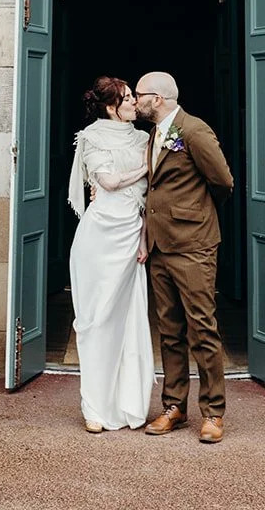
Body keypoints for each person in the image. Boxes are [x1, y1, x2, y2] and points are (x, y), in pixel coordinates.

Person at [135, 69, 234, 444]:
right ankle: (174, 406)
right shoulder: (154, 134)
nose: (135, 99)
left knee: (202, 328)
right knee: (170, 331)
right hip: (160, 246)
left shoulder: (194, 130)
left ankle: (213, 412)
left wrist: (196, 214)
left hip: (193, 245)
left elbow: (223, 182)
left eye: (140, 93)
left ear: (157, 99)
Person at [67, 76, 154, 432]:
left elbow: (149, 200)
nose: (135, 102)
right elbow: (108, 182)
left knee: (129, 320)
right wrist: (147, 167)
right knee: (96, 320)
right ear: (110, 106)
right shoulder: (92, 137)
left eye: (134, 96)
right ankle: (94, 409)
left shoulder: (146, 139)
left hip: (131, 232)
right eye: (128, 97)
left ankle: (128, 403)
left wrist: (144, 240)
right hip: (100, 235)